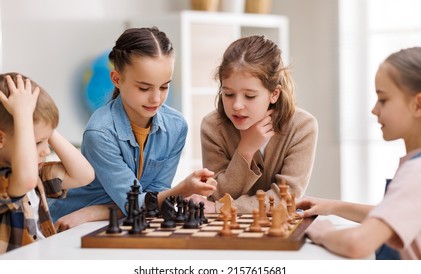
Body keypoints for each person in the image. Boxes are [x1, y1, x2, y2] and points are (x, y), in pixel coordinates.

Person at [49, 27, 216, 230]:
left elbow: (154, 200)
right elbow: (137, 203)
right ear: (117, 79)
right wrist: (184, 188)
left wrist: (94, 212)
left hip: (111, 220)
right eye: (144, 88)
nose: (156, 99)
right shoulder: (100, 133)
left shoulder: (176, 126)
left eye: (164, 86)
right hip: (70, 226)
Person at [296, 47, 421, 260]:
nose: (374, 109)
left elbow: (358, 244)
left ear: (418, 104)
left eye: (383, 99)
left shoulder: (415, 173)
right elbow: (393, 214)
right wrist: (332, 206)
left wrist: (322, 232)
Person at [192, 35, 318, 213]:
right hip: (225, 230)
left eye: (249, 96)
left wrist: (220, 208)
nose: (236, 105)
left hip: (280, 227)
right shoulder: (213, 126)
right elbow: (218, 195)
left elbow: (287, 197)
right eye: (228, 94)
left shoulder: (302, 126)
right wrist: (245, 151)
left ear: (274, 94)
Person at [0, 72, 95, 254]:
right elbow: (25, 179)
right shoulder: (16, 179)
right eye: (36, 143)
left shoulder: (37, 176)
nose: (46, 151)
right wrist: (23, 116)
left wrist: (45, 126)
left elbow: (84, 175)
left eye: (46, 141)